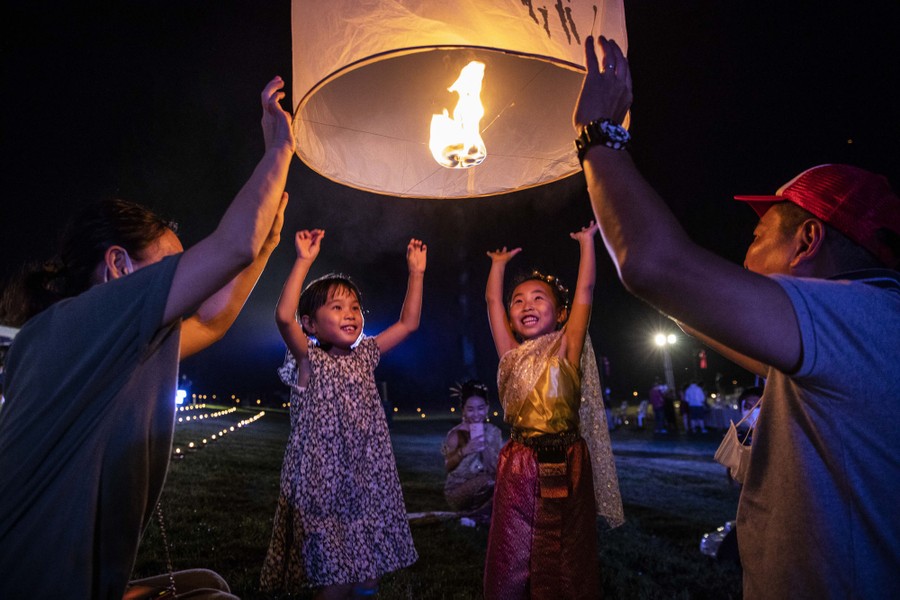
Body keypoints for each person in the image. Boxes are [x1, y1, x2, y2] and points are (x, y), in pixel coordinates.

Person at [573, 34, 900, 598]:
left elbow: (655, 265)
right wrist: (657, 275)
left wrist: (598, 135)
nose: (745, 258)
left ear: (808, 240)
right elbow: (678, 291)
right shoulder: (864, 330)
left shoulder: (863, 315)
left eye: (757, 238)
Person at [0, 76, 294, 599]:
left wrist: (267, 245)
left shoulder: (108, 347)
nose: (185, 284)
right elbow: (232, 246)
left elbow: (213, 319)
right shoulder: (75, 324)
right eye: (172, 267)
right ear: (118, 265)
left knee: (207, 584)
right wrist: (278, 148)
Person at [259, 229, 424, 599]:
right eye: (337, 307)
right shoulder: (308, 360)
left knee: (367, 577)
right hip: (323, 493)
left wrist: (416, 273)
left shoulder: (365, 355)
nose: (350, 314)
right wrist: (303, 261)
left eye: (354, 307)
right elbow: (284, 317)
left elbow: (408, 324)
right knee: (336, 581)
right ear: (311, 324)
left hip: (367, 487)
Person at [482, 222, 623, 600]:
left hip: (568, 461)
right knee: (515, 545)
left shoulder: (567, 348)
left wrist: (587, 245)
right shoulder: (510, 355)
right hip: (519, 463)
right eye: (519, 300)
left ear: (560, 314)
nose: (527, 304)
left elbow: (586, 291)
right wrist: (497, 265)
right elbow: (492, 302)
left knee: (566, 546)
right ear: (512, 318)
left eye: (538, 298)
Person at [441, 379, 503, 523]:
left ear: (487, 408)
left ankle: (479, 516)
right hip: (458, 490)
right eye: (470, 409)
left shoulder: (494, 432)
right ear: (463, 410)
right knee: (488, 481)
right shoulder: (455, 434)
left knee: (503, 483)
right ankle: (475, 516)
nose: (476, 414)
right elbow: (448, 466)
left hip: (488, 486)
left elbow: (497, 468)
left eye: (480, 408)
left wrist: (485, 447)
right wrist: (465, 450)